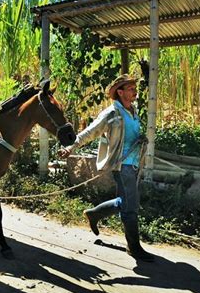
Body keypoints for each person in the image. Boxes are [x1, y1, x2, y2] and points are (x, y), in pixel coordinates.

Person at [58, 74, 154, 262]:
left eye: (135, 88)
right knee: (131, 207)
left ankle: (94, 214)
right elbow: (91, 131)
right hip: (122, 164)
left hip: (134, 163)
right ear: (120, 92)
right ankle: (134, 247)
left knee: (125, 201)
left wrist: (141, 140)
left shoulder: (132, 110)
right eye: (131, 89)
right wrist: (72, 146)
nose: (135, 91)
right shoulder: (112, 114)